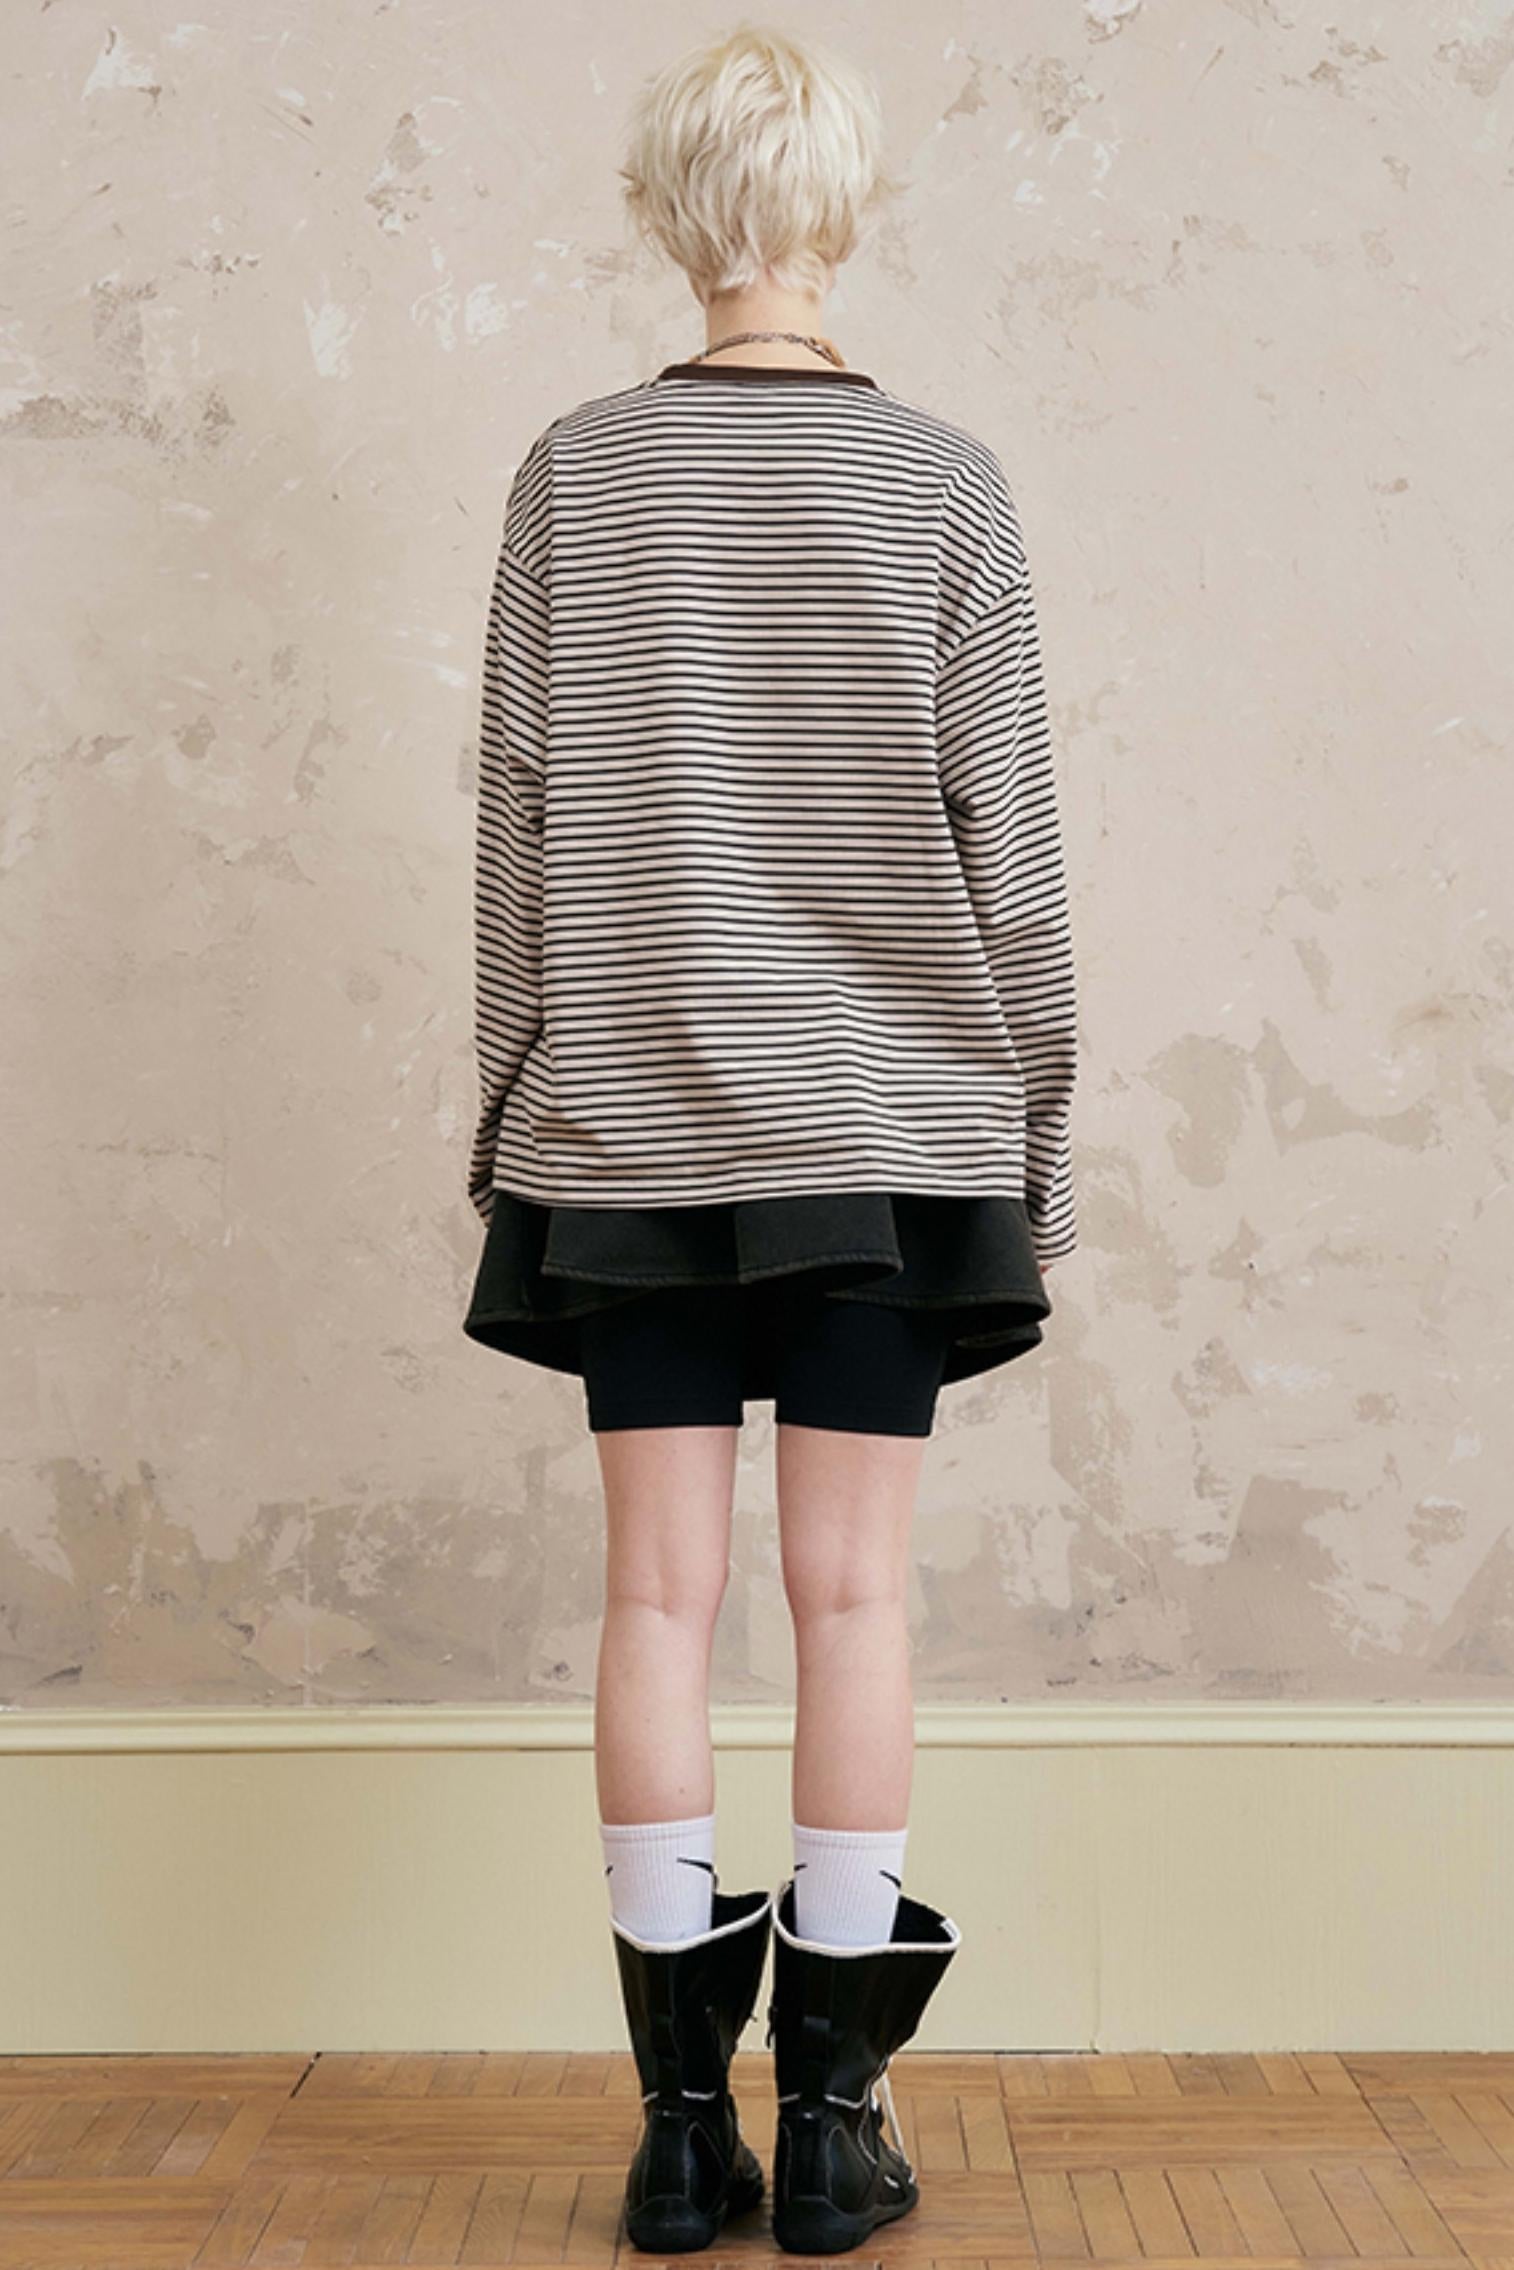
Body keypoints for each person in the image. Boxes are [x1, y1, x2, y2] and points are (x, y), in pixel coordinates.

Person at [461, 23, 1079, 2256]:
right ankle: (828, 2128)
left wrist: (517, 1111)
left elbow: (519, 822)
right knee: (853, 1595)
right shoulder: (944, 481)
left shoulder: (573, 474)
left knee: (654, 1593)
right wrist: (1034, 1139)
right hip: (891, 1132)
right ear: (842, 209)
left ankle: (671, 2131)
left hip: (627, 1123)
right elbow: (1009, 847)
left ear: (666, 209)